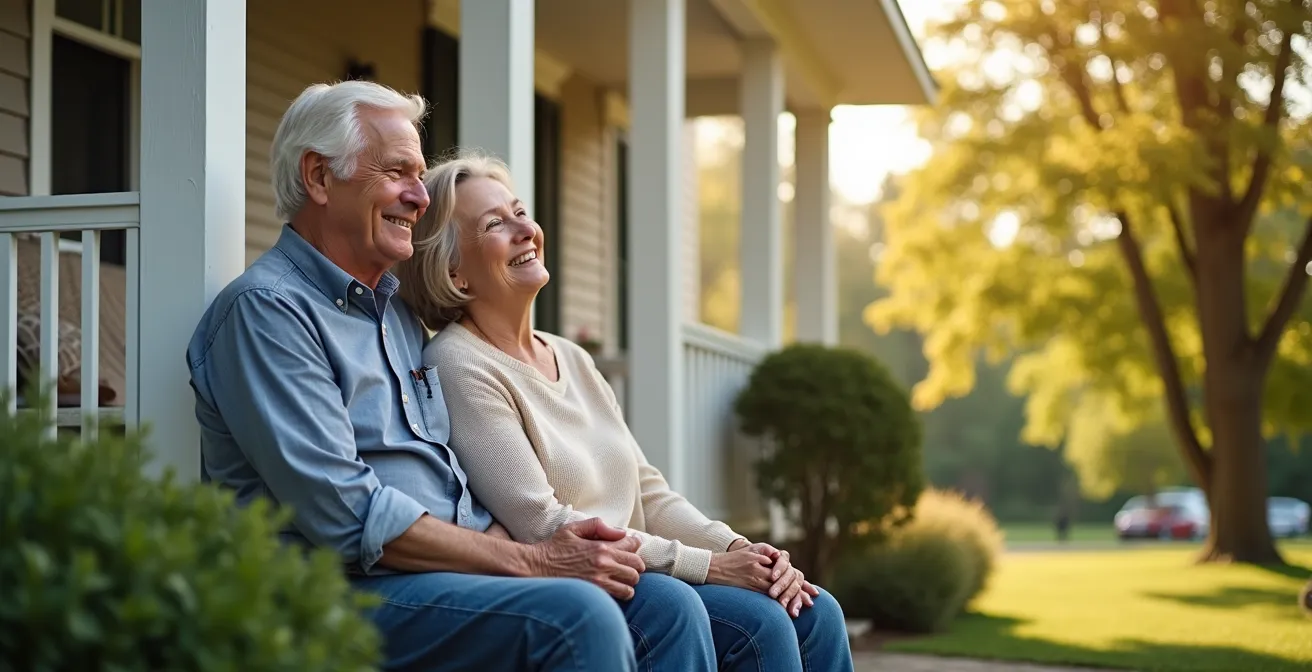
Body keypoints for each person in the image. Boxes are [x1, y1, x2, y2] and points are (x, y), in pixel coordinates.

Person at [185, 80, 712, 671]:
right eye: (397, 172)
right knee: (576, 616)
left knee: (665, 607)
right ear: (319, 177)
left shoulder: (395, 317)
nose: (419, 196)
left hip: (441, 576)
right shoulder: (267, 312)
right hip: (332, 591)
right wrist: (531, 560)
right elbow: (346, 514)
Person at [394, 150, 855, 672]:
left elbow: (649, 491)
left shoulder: (572, 357)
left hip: (649, 571)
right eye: (496, 224)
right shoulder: (458, 364)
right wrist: (710, 567)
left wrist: (744, 551)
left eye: (521, 212)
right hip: (593, 582)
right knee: (760, 623)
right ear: (455, 272)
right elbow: (542, 523)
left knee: (815, 612)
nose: (524, 229)